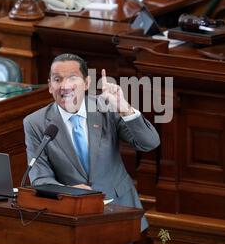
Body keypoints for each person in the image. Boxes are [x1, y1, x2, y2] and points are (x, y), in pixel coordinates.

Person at [23, 53, 160, 231]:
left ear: (86, 83)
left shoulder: (105, 108)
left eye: (73, 78)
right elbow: (40, 179)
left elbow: (149, 143)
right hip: (72, 214)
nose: (65, 86)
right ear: (50, 86)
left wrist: (124, 107)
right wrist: (70, 191)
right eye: (57, 79)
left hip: (119, 209)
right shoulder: (35, 123)